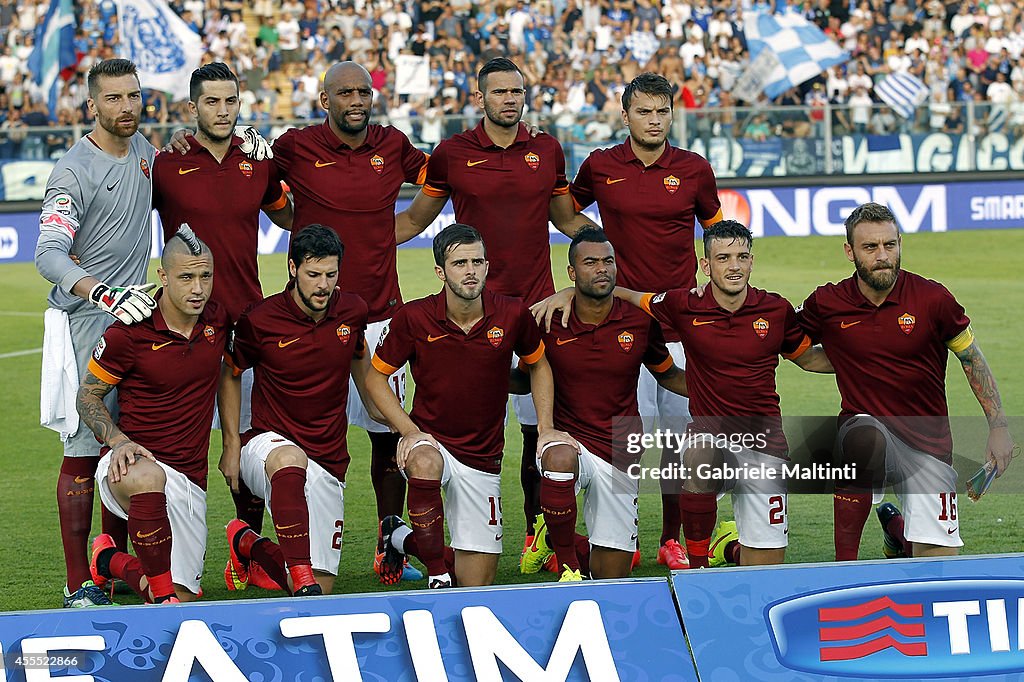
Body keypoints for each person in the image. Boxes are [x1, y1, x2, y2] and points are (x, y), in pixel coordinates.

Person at [166, 62, 418, 582]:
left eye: (363, 91)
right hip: (286, 318)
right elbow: (274, 198)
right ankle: (248, 544)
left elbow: (439, 178)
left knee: (385, 436)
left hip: (376, 314)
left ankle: (387, 543)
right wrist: (181, 139)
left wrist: (400, 229)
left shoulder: (394, 144)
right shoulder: (292, 148)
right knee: (265, 433)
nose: (356, 99)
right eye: (344, 92)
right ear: (324, 100)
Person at [395, 58, 596, 564]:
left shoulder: (547, 150)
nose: (511, 99)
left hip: (536, 311)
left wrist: (615, 250)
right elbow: (416, 219)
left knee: (540, 431)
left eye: (518, 91)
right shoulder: (451, 155)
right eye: (500, 92)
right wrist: (357, 237)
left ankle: (538, 535)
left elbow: (569, 219)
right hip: (470, 315)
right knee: (456, 433)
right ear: (480, 98)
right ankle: (409, 537)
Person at [541, 72, 724, 571]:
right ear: (625, 115)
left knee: (680, 440)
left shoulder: (693, 169)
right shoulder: (601, 165)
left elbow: (716, 237)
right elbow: (565, 214)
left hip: (683, 325)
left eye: (662, 111)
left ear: (672, 114)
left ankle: (670, 538)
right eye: (643, 111)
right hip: (619, 323)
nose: (653, 120)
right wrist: (586, 274)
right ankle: (617, 531)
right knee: (628, 438)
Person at [797, 202, 1016, 561]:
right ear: (849, 251)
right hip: (868, 434)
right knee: (862, 438)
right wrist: (853, 362)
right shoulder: (828, 302)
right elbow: (789, 342)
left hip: (928, 445)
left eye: (890, 245)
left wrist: (998, 427)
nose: (882, 256)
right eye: (870, 247)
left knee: (937, 564)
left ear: (900, 242)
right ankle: (843, 566)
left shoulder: (932, 299)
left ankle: (897, 534)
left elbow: (971, 358)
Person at [611, 221, 833, 568]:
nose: (734, 266)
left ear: (752, 261)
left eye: (741, 257)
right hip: (710, 437)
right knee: (700, 455)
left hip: (765, 441)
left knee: (766, 567)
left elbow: (808, 357)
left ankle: (729, 547)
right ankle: (698, 570)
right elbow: (631, 297)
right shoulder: (682, 304)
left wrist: (867, 357)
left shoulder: (775, 310)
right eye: (724, 257)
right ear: (706, 265)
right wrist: (571, 292)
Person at [368, 224, 575, 588]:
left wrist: (545, 427)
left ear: (487, 265)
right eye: (460, 263)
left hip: (483, 455)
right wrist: (410, 431)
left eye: (477, 261)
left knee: (477, 582)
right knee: (425, 461)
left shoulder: (512, 314)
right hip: (431, 442)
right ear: (440, 272)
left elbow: (539, 364)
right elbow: (374, 378)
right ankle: (436, 573)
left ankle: (399, 538)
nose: (470, 270)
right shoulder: (415, 317)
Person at [152, 61, 293, 552]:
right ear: (192, 107)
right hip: (182, 328)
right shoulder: (165, 164)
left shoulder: (256, 160)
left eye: (230, 100)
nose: (222, 110)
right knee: (174, 443)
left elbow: (291, 216)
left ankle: (246, 546)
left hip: (246, 319)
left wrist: (275, 159)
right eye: (211, 101)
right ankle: (150, 549)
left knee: (250, 440)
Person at [35, 59, 158, 608]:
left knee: (129, 448)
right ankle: (75, 581)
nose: (126, 107)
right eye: (114, 99)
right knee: (86, 449)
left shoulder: (147, 153)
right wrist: (103, 292)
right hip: (91, 324)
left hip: (140, 324)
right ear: (93, 105)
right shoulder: (72, 171)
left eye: (133, 96)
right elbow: (47, 254)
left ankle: (113, 566)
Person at [519, 228, 688, 581]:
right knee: (559, 458)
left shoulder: (640, 324)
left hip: (620, 444)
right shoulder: (548, 322)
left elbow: (668, 375)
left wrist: (722, 389)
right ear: (572, 273)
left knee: (613, 574)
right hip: (568, 437)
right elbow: (523, 377)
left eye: (608, 261)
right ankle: (568, 565)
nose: (601, 269)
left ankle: (552, 537)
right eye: (591, 262)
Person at [79, 226, 230, 604]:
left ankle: (111, 559)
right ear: (163, 277)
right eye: (186, 277)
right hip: (132, 467)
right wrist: (118, 440)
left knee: (185, 592)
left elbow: (231, 374)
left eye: (205, 276)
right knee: (166, 597)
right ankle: (163, 601)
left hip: (190, 478)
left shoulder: (217, 321)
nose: (198, 288)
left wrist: (233, 442)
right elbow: (87, 397)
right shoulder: (128, 333)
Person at [220, 225, 370, 596]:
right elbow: (231, 373)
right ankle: (299, 574)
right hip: (269, 446)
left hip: (329, 457)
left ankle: (247, 542)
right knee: (289, 459)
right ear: (292, 268)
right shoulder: (260, 319)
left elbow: (365, 374)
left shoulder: (353, 311)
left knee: (322, 588)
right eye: (313, 274)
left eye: (330, 275)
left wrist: (402, 425)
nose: (323, 285)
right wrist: (231, 445)